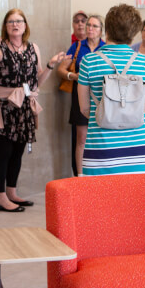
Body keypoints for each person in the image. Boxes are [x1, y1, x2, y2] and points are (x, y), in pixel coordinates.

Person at [0, 9, 67, 212]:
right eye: (11, 21)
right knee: (4, 152)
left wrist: (50, 65)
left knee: (18, 152)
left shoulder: (32, 48)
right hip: (5, 106)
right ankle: (1, 198)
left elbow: (36, 82)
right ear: (5, 25)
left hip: (25, 106)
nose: (15, 24)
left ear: (25, 25)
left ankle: (12, 192)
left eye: (19, 21)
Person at [78, 4, 145, 174]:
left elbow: (84, 109)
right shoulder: (143, 62)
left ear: (107, 29)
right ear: (134, 33)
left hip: (101, 149)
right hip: (140, 150)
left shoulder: (88, 61)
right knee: (139, 201)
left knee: (101, 200)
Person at [56, 14, 105, 176]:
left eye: (94, 26)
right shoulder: (77, 46)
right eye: (88, 25)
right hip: (80, 95)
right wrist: (74, 76)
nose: (90, 28)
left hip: (101, 96)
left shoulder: (105, 48)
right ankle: (80, 175)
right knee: (81, 138)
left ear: (101, 30)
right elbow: (61, 70)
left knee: (100, 137)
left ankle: (99, 173)